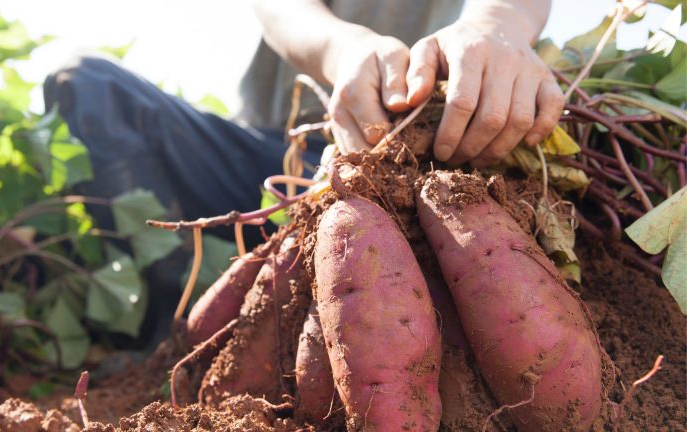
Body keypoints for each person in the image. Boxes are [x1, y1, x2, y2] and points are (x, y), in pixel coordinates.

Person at [44, 0, 561, 344]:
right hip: (274, 155)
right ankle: (170, 327)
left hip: (408, 163)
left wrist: (495, 28)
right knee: (86, 84)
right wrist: (342, 51)